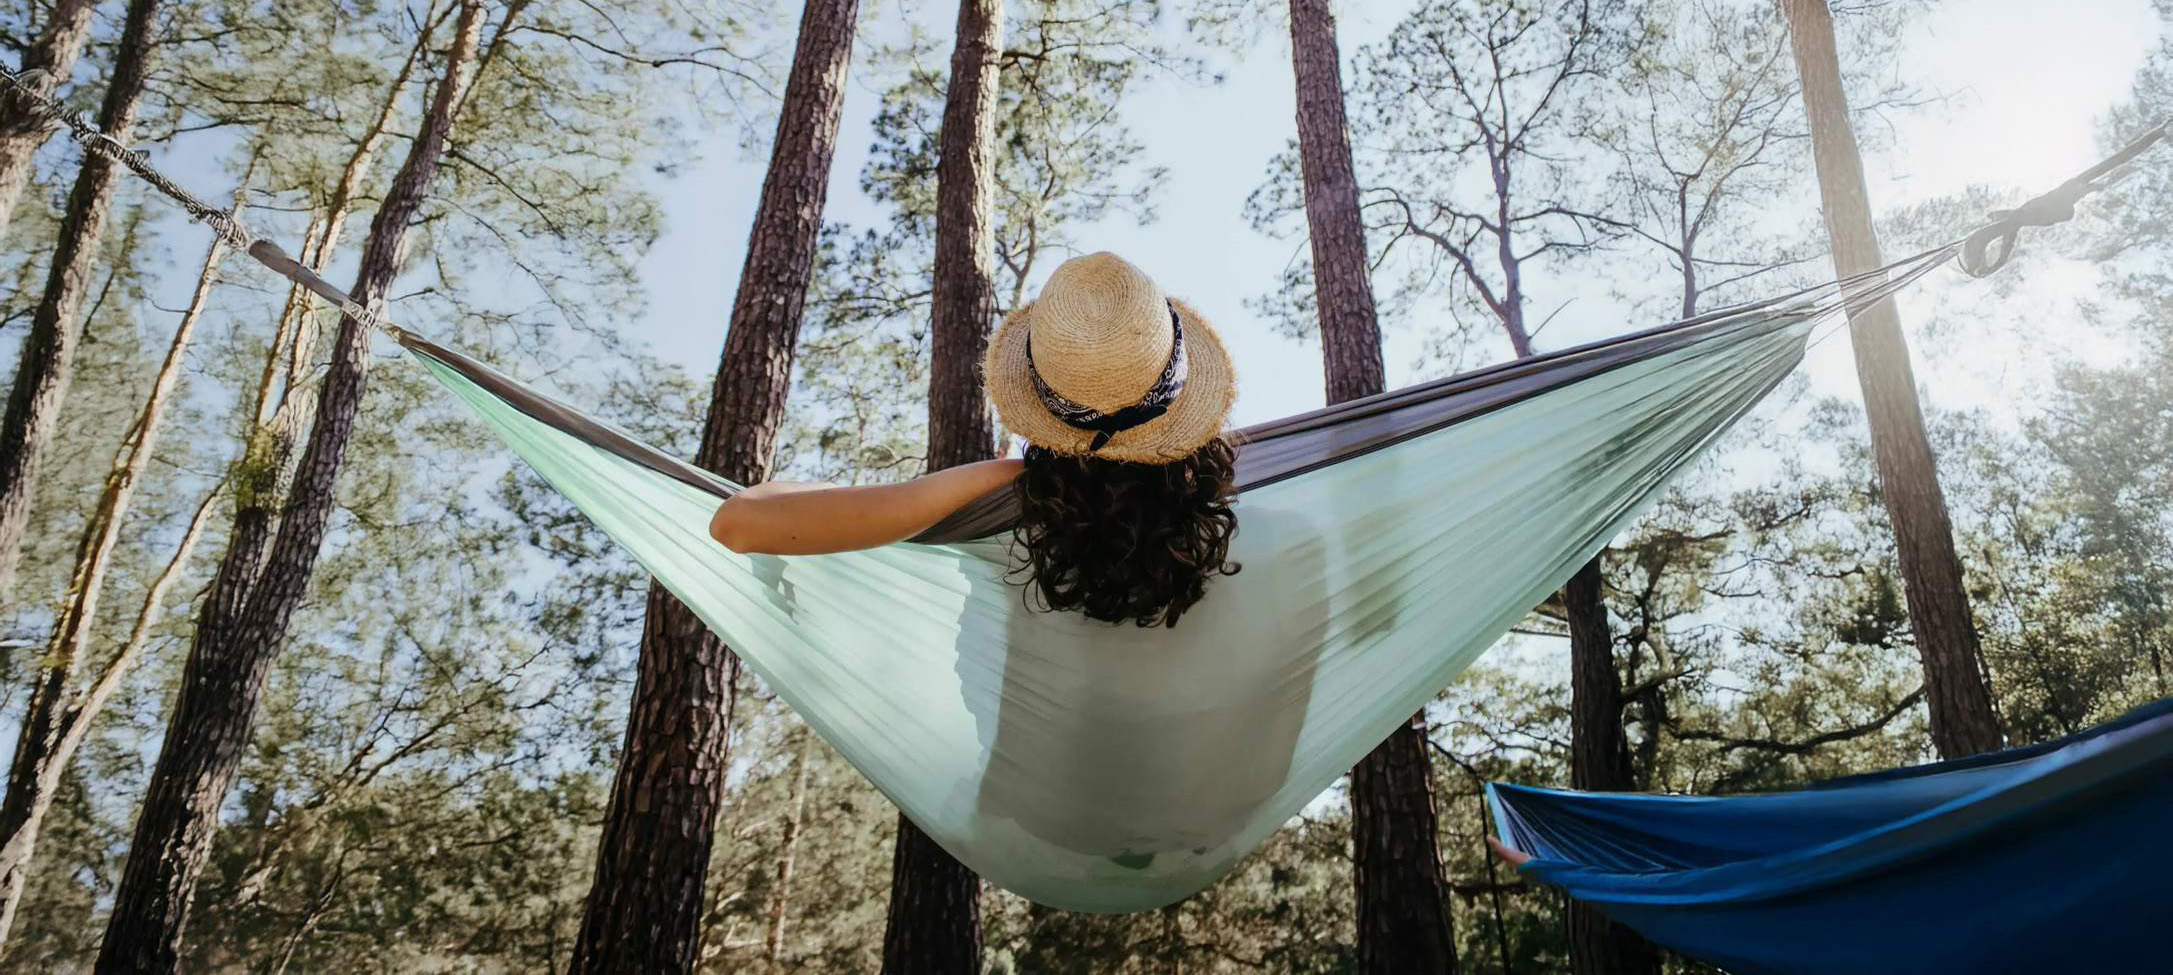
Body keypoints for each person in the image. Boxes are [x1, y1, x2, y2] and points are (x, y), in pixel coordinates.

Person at [709, 250, 1243, 627]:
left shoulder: (1008, 491)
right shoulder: (1262, 498)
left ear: (1044, 399)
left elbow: (737, 522)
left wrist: (832, 491)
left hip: (1026, 782)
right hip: (1218, 785)